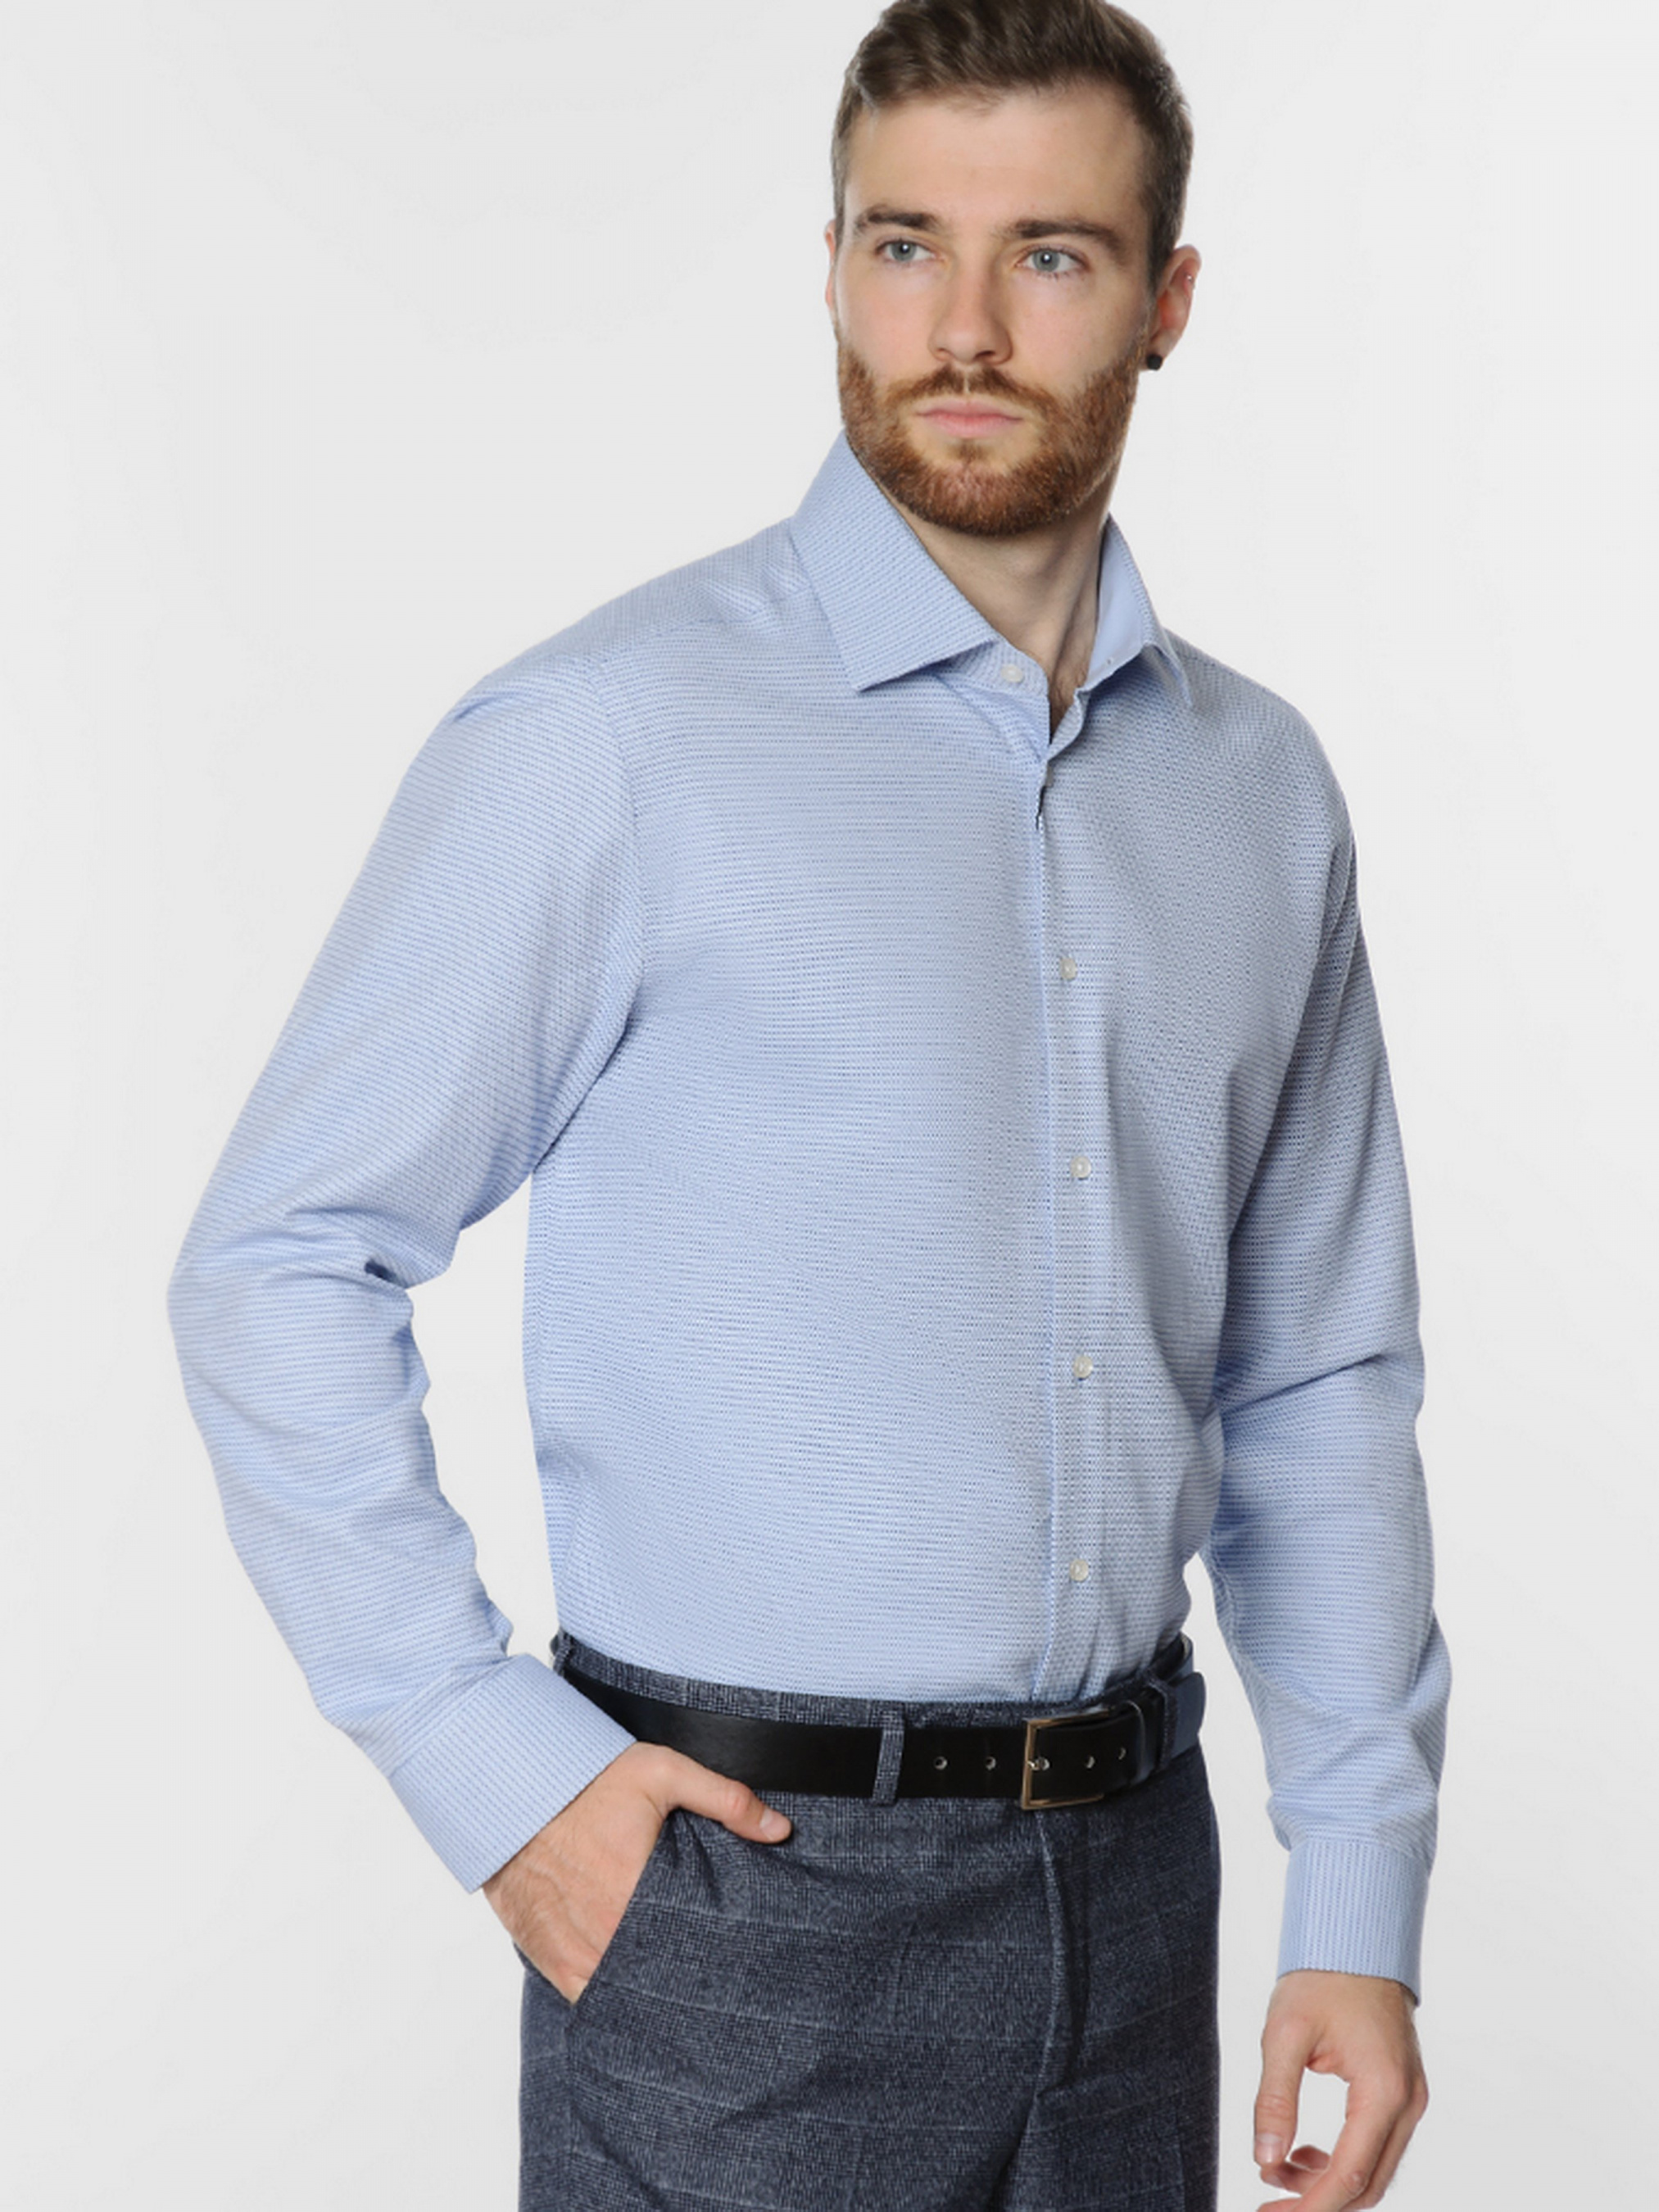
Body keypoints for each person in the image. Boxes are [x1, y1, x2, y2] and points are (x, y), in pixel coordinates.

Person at [168, 2, 1452, 2206]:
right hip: (737, 1905)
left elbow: (1316, 1373)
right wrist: (493, 1768)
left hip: (1136, 1886)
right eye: (902, 243)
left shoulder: (1258, 793)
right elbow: (279, 1257)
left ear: (1166, 300)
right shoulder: (610, 737)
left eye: (1050, 255)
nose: (962, 328)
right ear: (832, 265)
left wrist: (1356, 1894)